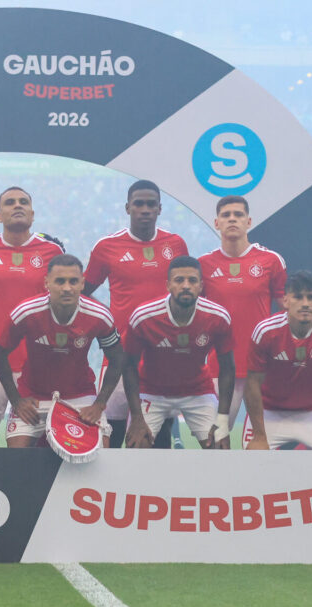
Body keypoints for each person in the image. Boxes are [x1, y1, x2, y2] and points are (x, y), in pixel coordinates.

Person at [83, 180, 189, 448]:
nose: (145, 209)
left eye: (151, 204)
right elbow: (83, 292)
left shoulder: (176, 244)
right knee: (113, 432)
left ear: (159, 209)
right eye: (139, 204)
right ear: (127, 207)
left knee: (158, 435)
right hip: (120, 353)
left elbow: (188, 290)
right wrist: (105, 318)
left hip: (162, 354)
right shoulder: (107, 246)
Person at [0, 186, 64, 445]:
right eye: (9, 202)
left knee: (38, 435)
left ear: (32, 213)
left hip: (37, 361)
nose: (17, 205)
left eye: (23, 202)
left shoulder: (52, 252)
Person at [0, 254, 123, 447]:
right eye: (60, 281)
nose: (67, 288)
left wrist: (99, 404)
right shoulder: (26, 312)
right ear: (46, 282)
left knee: (100, 451)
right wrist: (16, 400)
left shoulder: (99, 315)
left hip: (80, 396)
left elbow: (118, 358)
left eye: (73, 281)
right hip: (33, 396)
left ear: (82, 283)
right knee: (17, 455)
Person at [123, 256, 235, 449]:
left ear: (201, 286)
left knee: (219, 445)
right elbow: (128, 366)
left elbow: (228, 368)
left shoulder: (218, 317)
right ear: (168, 285)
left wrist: (222, 420)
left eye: (192, 280)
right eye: (179, 280)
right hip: (151, 391)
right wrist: (137, 417)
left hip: (197, 391)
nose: (186, 286)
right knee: (137, 444)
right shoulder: (144, 316)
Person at [199, 195, 286, 431]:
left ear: (249, 221)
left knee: (265, 438)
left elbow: (287, 313)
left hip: (262, 367)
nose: (232, 219)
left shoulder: (271, 260)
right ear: (216, 222)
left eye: (238, 215)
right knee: (215, 438)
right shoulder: (203, 264)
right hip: (219, 367)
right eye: (226, 215)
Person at [244, 270, 312, 450]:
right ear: (286, 301)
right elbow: (252, 384)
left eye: (311, 297)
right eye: (298, 297)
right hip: (269, 410)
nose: (305, 304)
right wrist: (260, 435)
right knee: (255, 454)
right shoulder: (265, 331)